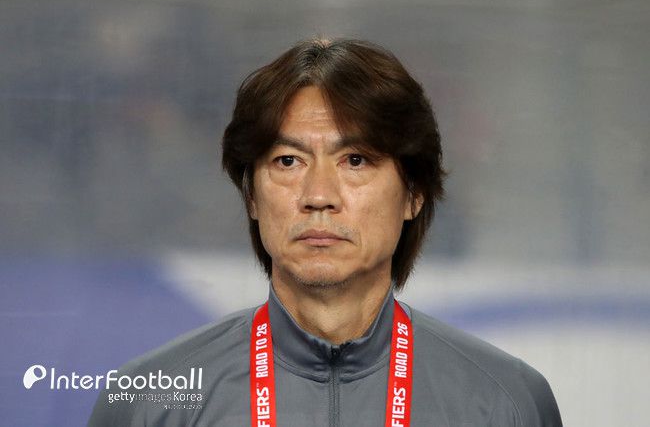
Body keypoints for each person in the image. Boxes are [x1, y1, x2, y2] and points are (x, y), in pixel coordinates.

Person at [88, 38, 562, 426]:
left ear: (414, 194)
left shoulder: (507, 403)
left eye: (355, 160)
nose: (319, 195)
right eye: (288, 161)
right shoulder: (149, 404)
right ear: (251, 196)